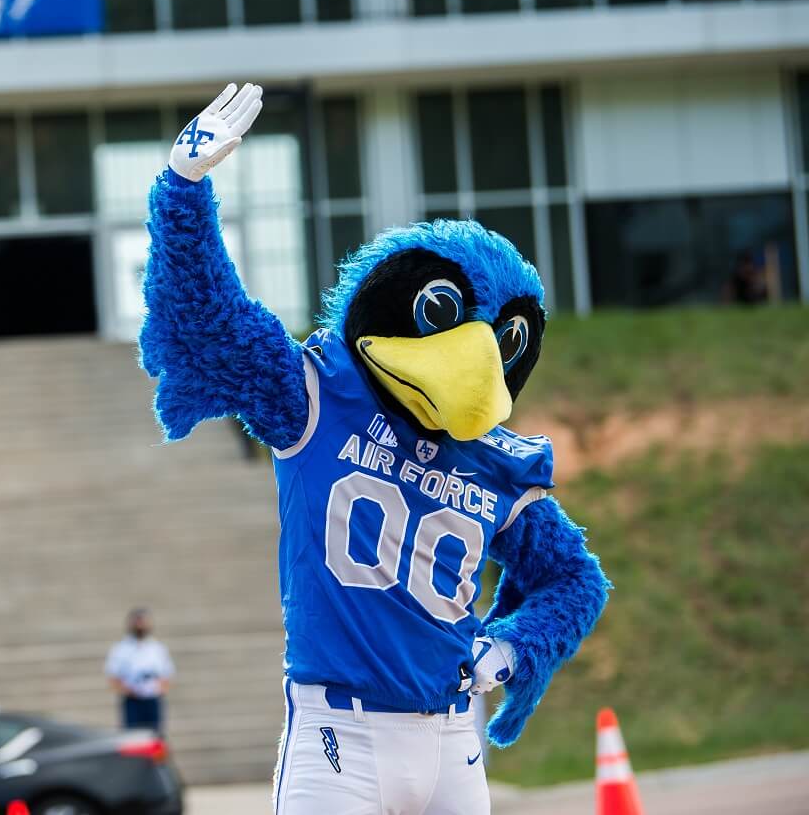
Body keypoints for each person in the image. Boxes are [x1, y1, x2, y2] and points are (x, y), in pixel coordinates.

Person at [140, 83, 607, 814]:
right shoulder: (320, 395)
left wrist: (511, 646)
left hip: (455, 739)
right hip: (339, 740)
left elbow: (575, 580)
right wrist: (184, 191)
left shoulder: (495, 459)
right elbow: (215, 323)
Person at [104, 608, 175, 733]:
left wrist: (155, 690)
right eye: (137, 621)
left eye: (143, 621)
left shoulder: (157, 648)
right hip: (132, 701)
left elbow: (166, 675)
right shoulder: (120, 649)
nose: (140, 625)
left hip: (152, 700)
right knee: (132, 737)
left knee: (155, 735)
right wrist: (132, 691)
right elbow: (113, 677)